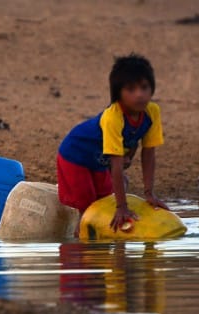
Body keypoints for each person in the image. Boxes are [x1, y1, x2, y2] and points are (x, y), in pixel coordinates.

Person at [56, 54, 168, 233]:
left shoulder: (152, 112)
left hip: (100, 161)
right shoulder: (113, 117)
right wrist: (121, 206)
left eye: (144, 87)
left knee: (103, 203)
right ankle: (78, 247)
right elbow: (116, 163)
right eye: (131, 89)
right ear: (118, 94)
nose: (139, 94)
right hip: (75, 156)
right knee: (88, 210)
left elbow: (148, 154)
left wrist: (149, 194)